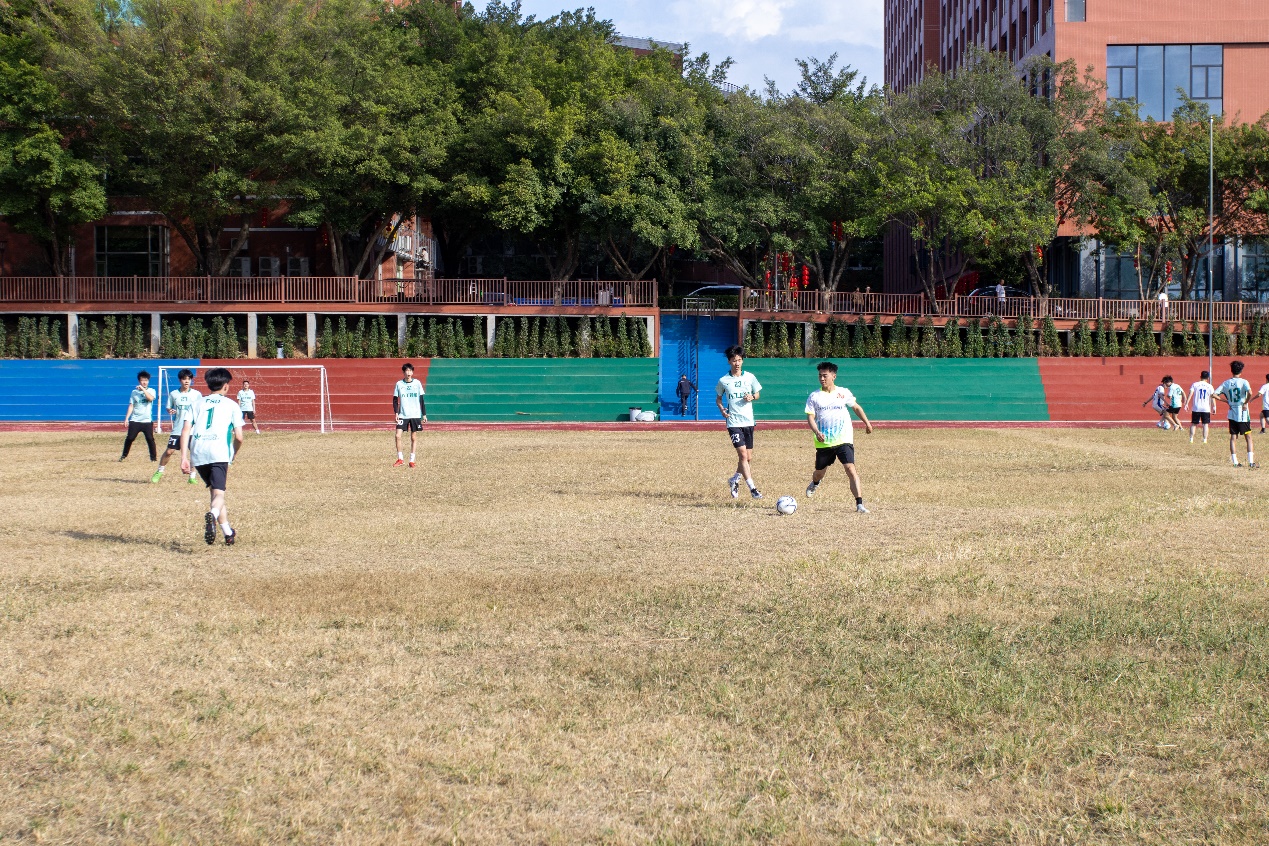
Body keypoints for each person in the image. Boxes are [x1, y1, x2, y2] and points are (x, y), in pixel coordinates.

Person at [180, 367, 245, 545]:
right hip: (218, 452)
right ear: (226, 386)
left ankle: (228, 533)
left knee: (214, 491)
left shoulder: (197, 403)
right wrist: (233, 453)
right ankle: (213, 514)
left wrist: (184, 457)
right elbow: (239, 437)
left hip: (198, 453)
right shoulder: (231, 405)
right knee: (219, 494)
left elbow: (185, 430)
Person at [804, 361, 874, 513]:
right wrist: (817, 432)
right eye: (820, 376)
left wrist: (867, 423)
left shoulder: (843, 392)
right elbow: (810, 417)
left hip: (843, 439)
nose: (822, 378)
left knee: (850, 469)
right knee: (819, 473)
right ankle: (815, 483)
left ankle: (859, 505)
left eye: (825, 375)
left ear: (833, 376)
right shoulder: (814, 396)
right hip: (824, 441)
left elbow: (856, 407)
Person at [715, 345, 763, 499]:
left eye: (740, 360)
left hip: (748, 421)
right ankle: (753, 489)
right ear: (729, 361)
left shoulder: (750, 377)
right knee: (742, 455)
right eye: (734, 360)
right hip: (733, 422)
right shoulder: (724, 380)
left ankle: (735, 479)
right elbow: (718, 399)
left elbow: (757, 394)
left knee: (748, 458)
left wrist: (752, 397)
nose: (737, 363)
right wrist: (722, 410)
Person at [152, 368, 202, 483]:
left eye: (189, 379)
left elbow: (201, 409)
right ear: (180, 380)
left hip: (192, 430)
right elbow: (169, 407)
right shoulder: (174, 394)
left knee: (194, 453)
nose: (187, 381)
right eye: (184, 379)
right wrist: (170, 410)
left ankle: (192, 477)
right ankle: (159, 471)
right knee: (169, 451)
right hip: (178, 429)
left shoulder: (197, 395)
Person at [1214, 359, 1258, 469]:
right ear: (1241, 371)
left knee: (1233, 437)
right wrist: (1246, 402)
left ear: (1231, 370)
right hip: (1243, 413)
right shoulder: (1244, 382)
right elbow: (1250, 392)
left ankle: (1235, 462)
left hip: (1232, 413)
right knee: (1248, 437)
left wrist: (1226, 401)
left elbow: (1214, 394)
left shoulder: (1226, 383)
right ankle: (1251, 462)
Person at [392, 362, 427, 468]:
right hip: (403, 414)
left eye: (410, 371)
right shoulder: (399, 384)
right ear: (403, 372)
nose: (408, 373)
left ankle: (412, 460)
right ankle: (400, 459)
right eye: (406, 371)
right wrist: (396, 413)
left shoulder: (417, 383)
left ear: (412, 372)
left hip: (415, 414)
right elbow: (395, 400)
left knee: (413, 437)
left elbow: (421, 400)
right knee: (398, 435)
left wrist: (424, 414)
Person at [120, 371, 157, 462]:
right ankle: (124, 455)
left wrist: (143, 390)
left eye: (146, 380)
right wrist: (127, 418)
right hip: (135, 420)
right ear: (139, 381)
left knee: (150, 439)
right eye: (142, 380)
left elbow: (150, 398)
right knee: (130, 438)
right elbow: (131, 405)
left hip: (147, 420)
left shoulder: (151, 390)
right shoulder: (134, 392)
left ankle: (153, 458)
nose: (144, 382)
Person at [1184, 370, 1215, 444]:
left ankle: (1191, 439)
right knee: (1205, 424)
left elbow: (1190, 394)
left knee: (1194, 424)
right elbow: (1213, 397)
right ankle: (1205, 440)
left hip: (1196, 407)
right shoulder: (1209, 386)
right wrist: (1214, 406)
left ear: (1200, 376)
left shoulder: (1195, 384)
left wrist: (1186, 403)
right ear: (1207, 378)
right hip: (1205, 408)